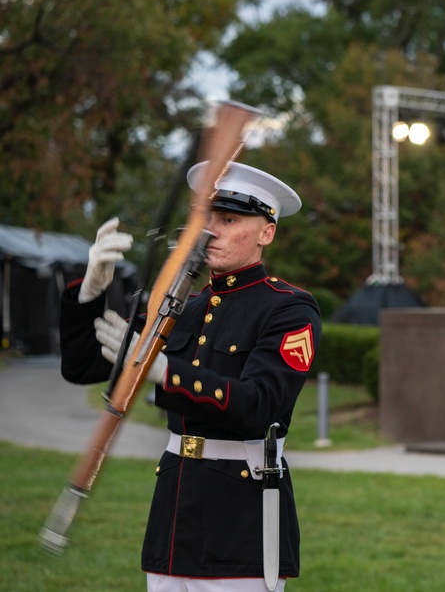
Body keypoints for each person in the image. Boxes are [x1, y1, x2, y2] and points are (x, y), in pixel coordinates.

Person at [60, 162, 322, 591]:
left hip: (241, 520)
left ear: (266, 232)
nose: (210, 231)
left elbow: (259, 407)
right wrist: (89, 292)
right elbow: (82, 366)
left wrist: (166, 373)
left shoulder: (288, 308)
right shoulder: (183, 306)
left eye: (230, 220)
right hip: (173, 514)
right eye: (206, 219)